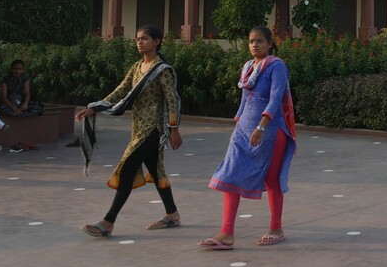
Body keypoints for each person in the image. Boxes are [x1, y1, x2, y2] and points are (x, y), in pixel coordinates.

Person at [75, 25, 183, 237]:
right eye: (137, 39)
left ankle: (108, 221)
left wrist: (174, 129)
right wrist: (94, 107)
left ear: (157, 41)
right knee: (155, 170)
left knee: (127, 168)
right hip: (138, 128)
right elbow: (120, 92)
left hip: (153, 129)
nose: (140, 42)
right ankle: (172, 214)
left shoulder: (163, 70)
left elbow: (173, 101)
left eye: (145, 38)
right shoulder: (137, 67)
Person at [200, 25, 297, 250]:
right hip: (244, 129)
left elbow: (274, 99)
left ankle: (276, 229)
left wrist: (261, 126)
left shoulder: (276, 66)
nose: (255, 44)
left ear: (270, 43)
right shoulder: (247, 68)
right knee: (230, 175)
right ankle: (226, 233)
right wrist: (240, 123)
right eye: (252, 41)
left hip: (271, 131)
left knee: (271, 180)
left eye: (260, 41)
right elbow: (245, 100)